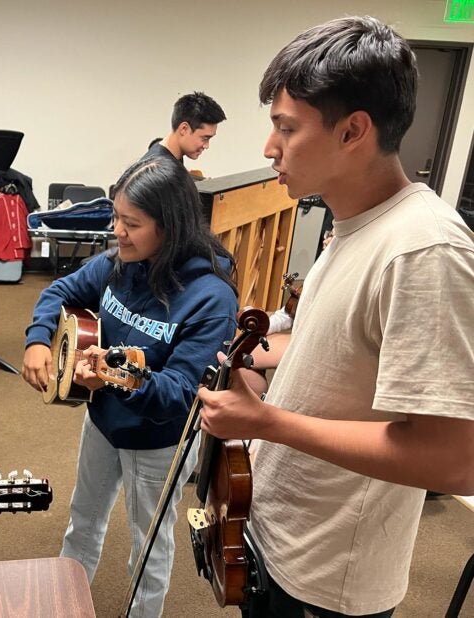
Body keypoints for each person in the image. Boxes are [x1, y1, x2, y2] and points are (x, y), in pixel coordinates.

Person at [197, 16, 474, 617]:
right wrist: (262, 362)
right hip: (280, 537)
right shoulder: (351, 226)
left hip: (327, 584)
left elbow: (454, 460)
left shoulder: (423, 251)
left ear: (353, 131)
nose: (270, 148)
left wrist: (267, 422)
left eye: (286, 128)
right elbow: (346, 354)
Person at [22, 155, 238, 616]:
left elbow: (181, 392)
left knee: (148, 550)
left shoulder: (211, 299)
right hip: (102, 423)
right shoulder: (120, 261)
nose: (117, 231)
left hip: (158, 442)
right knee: (82, 522)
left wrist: (117, 378)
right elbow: (58, 293)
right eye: (116, 216)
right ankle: (63, 606)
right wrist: (39, 339)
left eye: (132, 223)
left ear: (171, 227)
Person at [144, 91, 226, 163]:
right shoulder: (162, 168)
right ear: (184, 129)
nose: (206, 146)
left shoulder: (169, 154)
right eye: (205, 138)